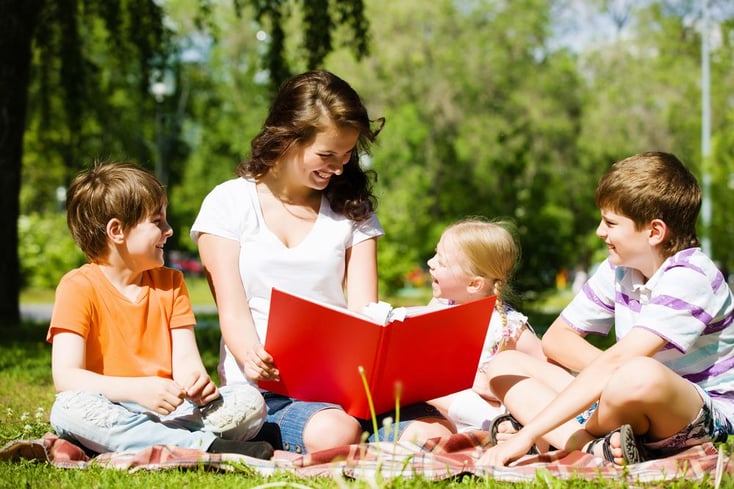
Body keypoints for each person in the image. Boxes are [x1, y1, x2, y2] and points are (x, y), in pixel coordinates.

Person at [191, 70, 452, 454]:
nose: (340, 167)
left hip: (345, 386)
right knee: (333, 433)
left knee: (437, 433)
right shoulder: (229, 202)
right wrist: (251, 357)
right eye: (327, 155)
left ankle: (367, 434)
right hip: (265, 390)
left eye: (347, 154)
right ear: (286, 138)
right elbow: (231, 310)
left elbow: (365, 312)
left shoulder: (352, 212)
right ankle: (345, 437)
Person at [479, 152, 734, 467]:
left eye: (611, 223)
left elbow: (624, 366)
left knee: (639, 373)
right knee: (504, 364)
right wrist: (608, 373)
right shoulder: (620, 269)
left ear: (655, 232)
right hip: (623, 397)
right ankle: (595, 448)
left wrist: (527, 432)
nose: (600, 231)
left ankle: (561, 436)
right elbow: (557, 339)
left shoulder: (691, 276)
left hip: (697, 416)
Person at [47, 162, 273, 459]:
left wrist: (196, 384)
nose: (169, 231)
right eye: (157, 221)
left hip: (171, 412)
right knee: (67, 409)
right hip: (109, 409)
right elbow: (67, 378)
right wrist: (138, 390)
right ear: (116, 230)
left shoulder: (171, 283)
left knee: (249, 401)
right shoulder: (77, 286)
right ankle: (201, 446)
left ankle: (157, 441)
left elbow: (186, 363)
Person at [425, 219, 545, 435]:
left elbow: (548, 373)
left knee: (433, 389)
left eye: (441, 262)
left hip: (488, 409)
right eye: (435, 254)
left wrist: (494, 387)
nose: (430, 262)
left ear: (474, 284)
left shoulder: (508, 327)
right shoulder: (439, 307)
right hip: (449, 414)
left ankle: (504, 427)